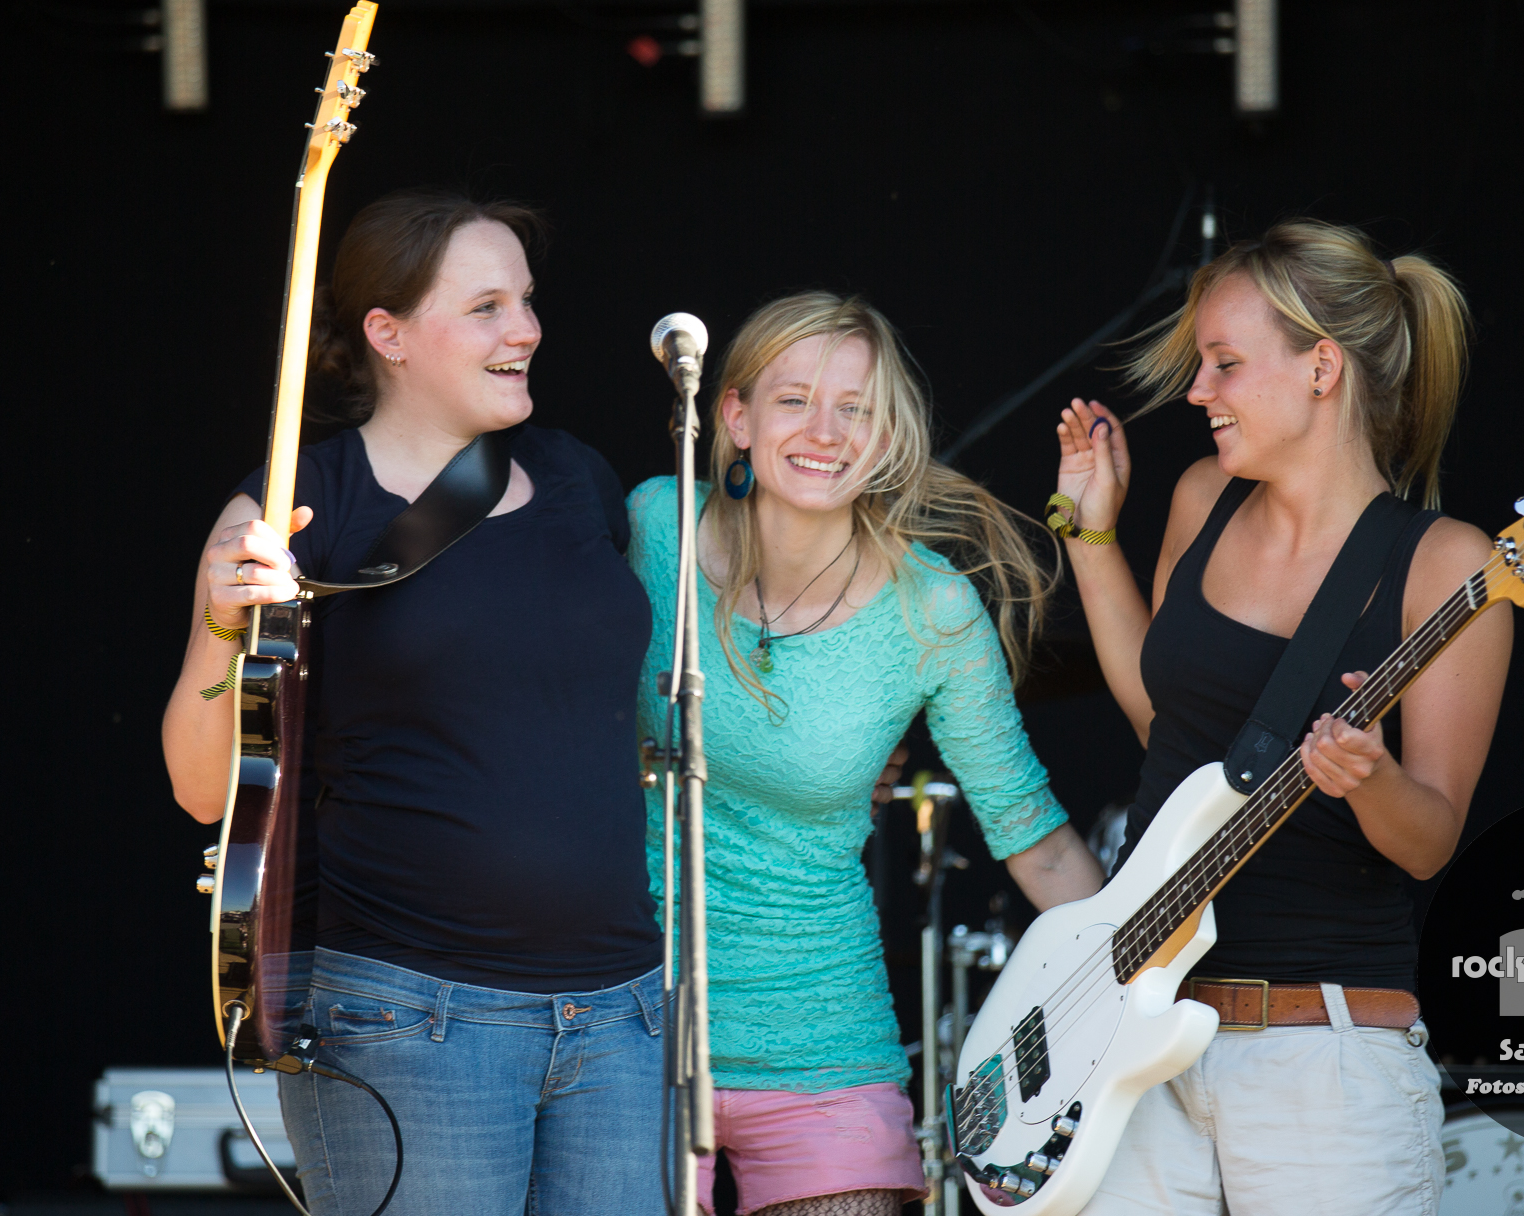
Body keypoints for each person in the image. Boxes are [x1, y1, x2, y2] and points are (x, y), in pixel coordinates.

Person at [161, 188, 669, 1215]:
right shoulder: (295, 505)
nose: (526, 329)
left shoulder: (576, 477)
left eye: (525, 300)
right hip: (407, 1015)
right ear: (386, 334)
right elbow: (204, 789)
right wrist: (219, 624)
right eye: (485, 307)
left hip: (622, 1012)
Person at [1051, 220, 1512, 1215]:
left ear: (1320, 368)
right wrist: (1090, 537)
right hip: (1141, 1038)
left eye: (1224, 364)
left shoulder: (1448, 565)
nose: (1197, 392)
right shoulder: (1201, 498)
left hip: (1324, 1062)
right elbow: (1162, 726)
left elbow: (1430, 839)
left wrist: (1372, 781)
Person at [626, 292, 1108, 1216]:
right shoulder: (655, 530)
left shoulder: (932, 611)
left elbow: (1036, 840)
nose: (826, 431)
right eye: (795, 400)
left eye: (857, 408)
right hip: (627, 1035)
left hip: (823, 1050)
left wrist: (1145, 980)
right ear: (735, 417)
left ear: (888, 436)